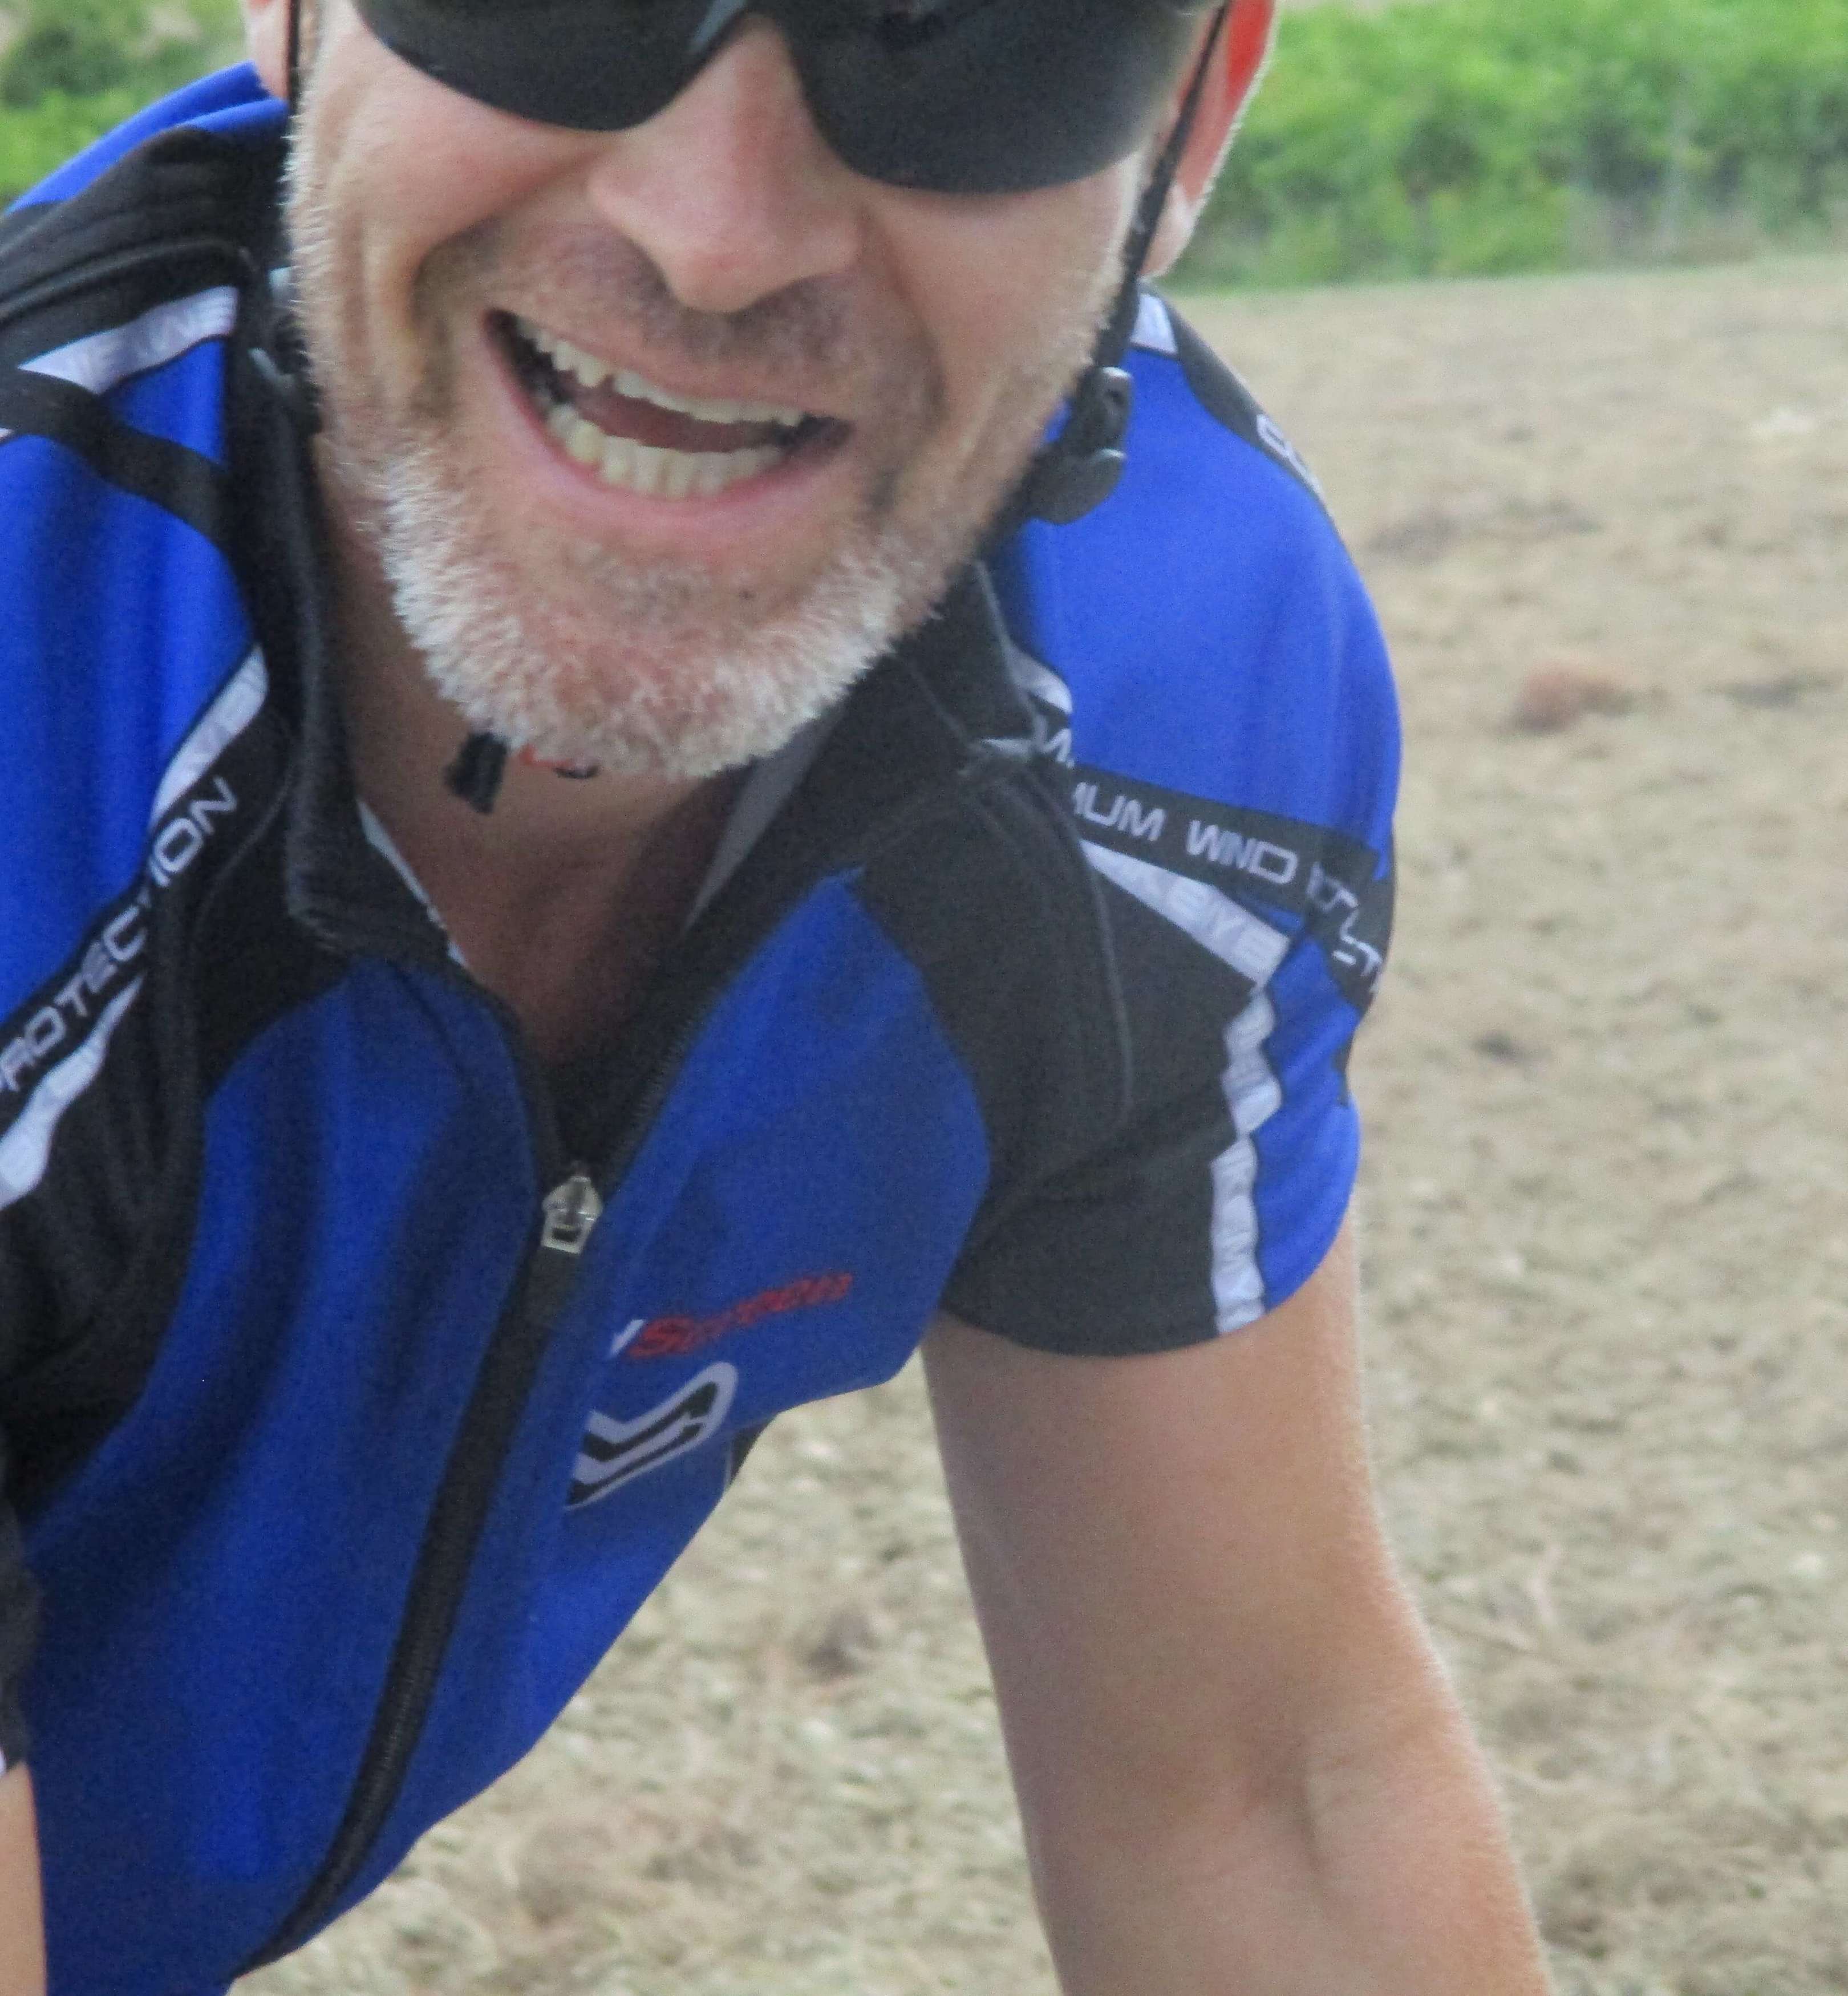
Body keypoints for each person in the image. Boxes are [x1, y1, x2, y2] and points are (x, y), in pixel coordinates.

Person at [0, 0, 1554, 1988]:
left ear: (1191, 121)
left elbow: (1259, 1795)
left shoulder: (1174, 687)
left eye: (968, 29)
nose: (714, 236)